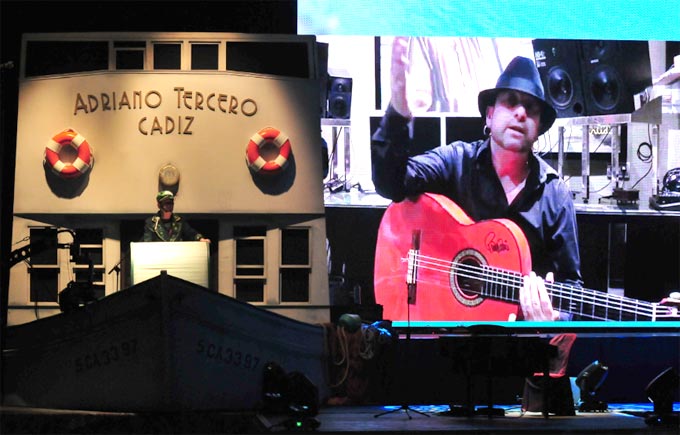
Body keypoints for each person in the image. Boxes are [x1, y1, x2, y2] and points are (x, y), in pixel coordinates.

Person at [371, 37, 582, 322]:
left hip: (521, 343)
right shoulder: (456, 162)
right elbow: (390, 183)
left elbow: (571, 287)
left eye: (531, 108)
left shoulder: (555, 195)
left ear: (538, 128)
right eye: (510, 102)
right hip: (447, 332)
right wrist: (398, 110)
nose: (520, 112)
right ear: (490, 114)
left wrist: (556, 318)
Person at [143, 190, 211, 243]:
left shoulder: (179, 221)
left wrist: (200, 239)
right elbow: (147, 242)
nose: (169, 205)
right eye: (166, 203)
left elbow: (191, 233)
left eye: (171, 203)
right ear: (159, 205)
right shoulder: (151, 223)